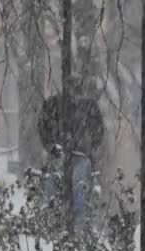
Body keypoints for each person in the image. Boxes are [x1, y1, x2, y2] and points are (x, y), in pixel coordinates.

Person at [38, 75, 104, 224]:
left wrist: (51, 146)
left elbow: (43, 126)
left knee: (65, 188)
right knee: (73, 189)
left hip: (72, 154)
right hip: (68, 154)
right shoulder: (85, 105)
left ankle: (65, 223)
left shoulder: (55, 104)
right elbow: (98, 130)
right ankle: (70, 224)